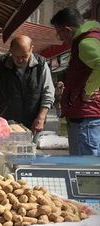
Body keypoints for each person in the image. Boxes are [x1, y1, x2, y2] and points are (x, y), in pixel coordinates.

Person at [51, 7, 100, 156]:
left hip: (85, 119)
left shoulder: (85, 43)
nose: (60, 38)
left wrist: (87, 91)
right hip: (88, 118)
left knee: (85, 171)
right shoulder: (93, 37)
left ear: (67, 30)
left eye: (59, 33)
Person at [0, 35, 55, 133]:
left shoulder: (41, 64)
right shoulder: (0, 64)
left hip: (33, 122)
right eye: (16, 56)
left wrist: (41, 117)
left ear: (31, 49)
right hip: (5, 122)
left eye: (24, 56)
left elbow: (48, 93)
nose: (19, 60)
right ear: (10, 51)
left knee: (30, 147)